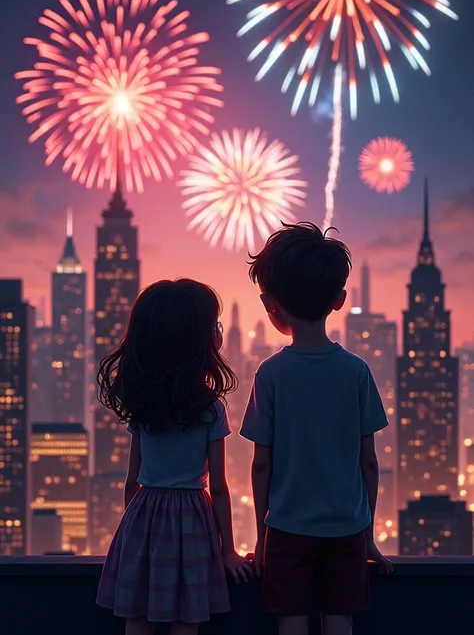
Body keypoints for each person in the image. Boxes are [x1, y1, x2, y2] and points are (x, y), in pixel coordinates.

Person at [240, 223, 393, 635]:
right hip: (347, 528)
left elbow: (261, 465)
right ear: (339, 300)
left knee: (290, 619)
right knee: (339, 621)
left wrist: (262, 540)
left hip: (287, 529)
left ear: (269, 303)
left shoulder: (270, 375)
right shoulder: (357, 372)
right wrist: (368, 535)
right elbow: (369, 463)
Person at [96, 279, 252, 635]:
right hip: (192, 519)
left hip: (143, 515)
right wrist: (228, 550)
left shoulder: (141, 404)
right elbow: (221, 485)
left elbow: (131, 480)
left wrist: (131, 529)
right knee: (186, 615)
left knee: (138, 614)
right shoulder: (210, 409)